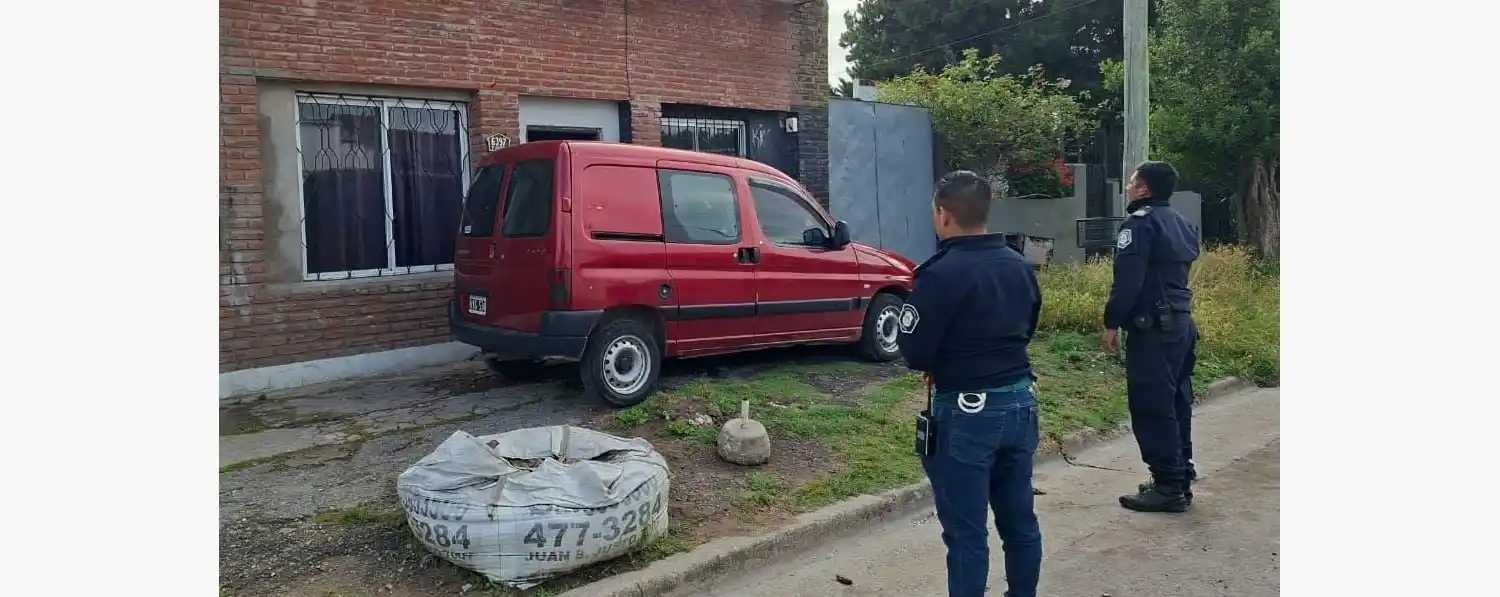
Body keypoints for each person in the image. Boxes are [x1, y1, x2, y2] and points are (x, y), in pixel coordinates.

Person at [898, 170, 1043, 597]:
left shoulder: (941, 274)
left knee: (966, 533)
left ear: (943, 214)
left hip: (967, 414)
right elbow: (1026, 328)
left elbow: (915, 351)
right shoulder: (1019, 265)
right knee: (1020, 522)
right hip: (1020, 402)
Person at [1101, 161, 1202, 513]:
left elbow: (1128, 281)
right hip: (1181, 323)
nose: (1127, 188)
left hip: (1154, 328)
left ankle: (1168, 486)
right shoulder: (1181, 222)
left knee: (1152, 405)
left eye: (1132, 183)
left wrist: (1112, 322)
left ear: (1145, 189)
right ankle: (1179, 474)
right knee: (1176, 402)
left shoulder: (1139, 225)